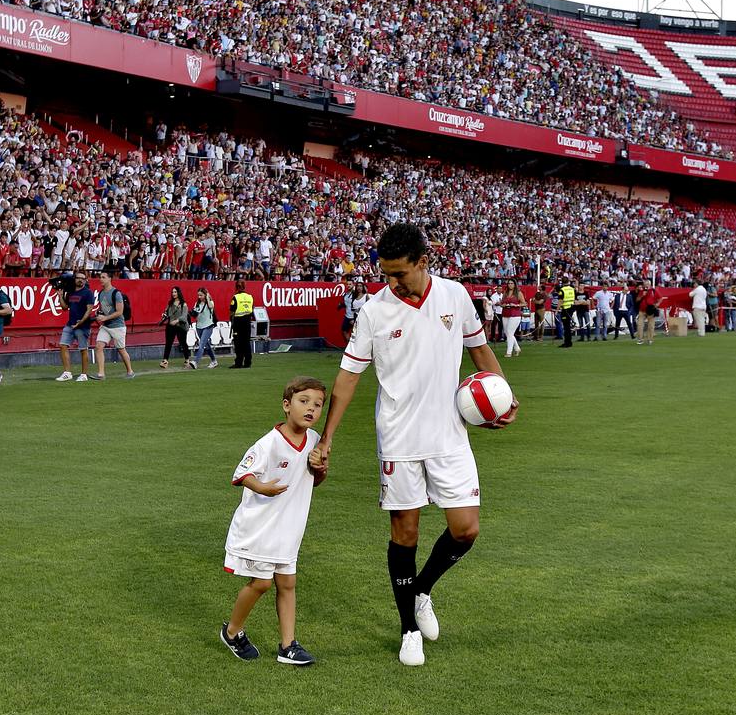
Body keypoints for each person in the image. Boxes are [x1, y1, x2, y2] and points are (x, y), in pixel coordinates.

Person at [311, 224, 516, 667]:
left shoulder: (455, 296)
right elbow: (348, 379)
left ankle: (422, 589)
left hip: (450, 435)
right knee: (405, 534)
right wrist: (327, 438)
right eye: (385, 273)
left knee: (466, 529)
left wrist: (502, 395)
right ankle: (407, 629)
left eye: (399, 273)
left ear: (424, 262)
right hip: (399, 440)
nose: (392, 282)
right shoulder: (373, 312)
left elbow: (479, 350)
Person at [219, 376, 327, 666]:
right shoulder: (269, 443)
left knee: (288, 583)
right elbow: (242, 473)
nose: (311, 409)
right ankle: (232, 632)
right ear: (286, 405)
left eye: (317, 405)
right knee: (262, 584)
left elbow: (314, 480)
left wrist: (320, 469)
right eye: (304, 402)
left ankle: (288, 646)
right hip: (261, 529)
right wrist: (263, 488)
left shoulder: (315, 441)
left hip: (288, 530)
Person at [89, 268, 134, 380]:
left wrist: (105, 317)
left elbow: (120, 312)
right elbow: (103, 307)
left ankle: (130, 371)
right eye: (100, 277)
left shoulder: (116, 293)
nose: (101, 279)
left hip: (118, 326)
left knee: (121, 349)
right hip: (106, 326)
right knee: (99, 346)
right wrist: (98, 313)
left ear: (110, 279)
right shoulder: (101, 293)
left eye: (103, 277)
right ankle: (101, 374)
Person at [56, 273, 96, 382]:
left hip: (82, 326)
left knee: (83, 349)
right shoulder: (70, 292)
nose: (80, 280)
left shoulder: (88, 293)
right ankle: (67, 372)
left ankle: (84, 374)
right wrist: (60, 296)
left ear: (85, 281)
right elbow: (65, 307)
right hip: (70, 324)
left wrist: (81, 322)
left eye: (83, 279)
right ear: (75, 279)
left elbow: (89, 309)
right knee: (63, 345)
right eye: (78, 278)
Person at [188, 286, 218, 369]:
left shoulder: (210, 302)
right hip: (199, 326)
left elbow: (211, 306)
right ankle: (214, 361)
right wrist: (191, 313)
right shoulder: (197, 303)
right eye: (198, 295)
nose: (199, 297)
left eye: (201, 295)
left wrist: (208, 297)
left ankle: (195, 362)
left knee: (201, 345)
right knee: (207, 345)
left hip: (208, 326)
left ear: (205, 295)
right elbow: (194, 314)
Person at [159, 286, 188, 369]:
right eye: (172, 292)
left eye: (175, 292)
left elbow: (184, 316)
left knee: (183, 343)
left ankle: (187, 359)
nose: (173, 294)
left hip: (180, 326)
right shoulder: (170, 303)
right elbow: (167, 312)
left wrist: (177, 320)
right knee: (168, 343)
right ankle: (165, 361)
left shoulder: (183, 304)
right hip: (170, 326)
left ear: (179, 293)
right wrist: (164, 315)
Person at [230, 278, 255, 368]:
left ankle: (239, 362)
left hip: (238, 322)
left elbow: (232, 311)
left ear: (236, 287)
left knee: (238, 343)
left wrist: (231, 321)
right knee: (246, 343)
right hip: (247, 322)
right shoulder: (250, 297)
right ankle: (248, 362)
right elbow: (252, 309)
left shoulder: (235, 297)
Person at [499, 280, 525, 357]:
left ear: (514, 284)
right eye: (509, 283)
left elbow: (524, 303)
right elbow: (502, 303)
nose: (510, 285)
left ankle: (509, 352)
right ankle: (517, 348)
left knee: (510, 332)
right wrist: (502, 305)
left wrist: (516, 305)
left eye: (511, 283)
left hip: (515, 314)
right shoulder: (505, 293)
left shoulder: (518, 293)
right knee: (507, 333)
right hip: (505, 313)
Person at [637, 279, 659, 345]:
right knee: (640, 325)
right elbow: (637, 299)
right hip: (642, 310)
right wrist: (642, 295)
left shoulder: (653, 291)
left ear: (649, 284)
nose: (645, 286)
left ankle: (650, 339)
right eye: (644, 284)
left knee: (651, 325)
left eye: (646, 284)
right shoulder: (642, 291)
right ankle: (640, 339)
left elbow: (660, 298)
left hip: (650, 310)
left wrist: (657, 304)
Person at [557, 275, 576, 348]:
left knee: (566, 327)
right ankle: (569, 342)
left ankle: (567, 342)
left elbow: (560, 301)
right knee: (568, 326)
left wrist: (557, 310)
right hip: (571, 307)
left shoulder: (562, 290)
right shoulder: (572, 288)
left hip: (565, 309)